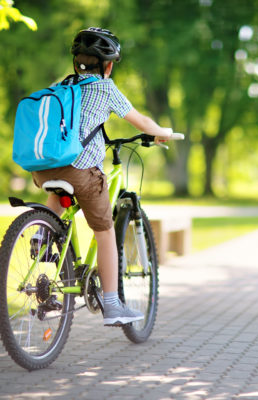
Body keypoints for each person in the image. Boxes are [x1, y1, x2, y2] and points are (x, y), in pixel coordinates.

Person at [31, 27, 174, 325]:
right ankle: (112, 304)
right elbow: (141, 120)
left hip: (43, 169)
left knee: (59, 191)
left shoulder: (61, 86)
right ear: (108, 65)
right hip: (82, 172)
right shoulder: (105, 89)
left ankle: (40, 233)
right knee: (105, 231)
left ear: (76, 63)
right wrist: (162, 133)